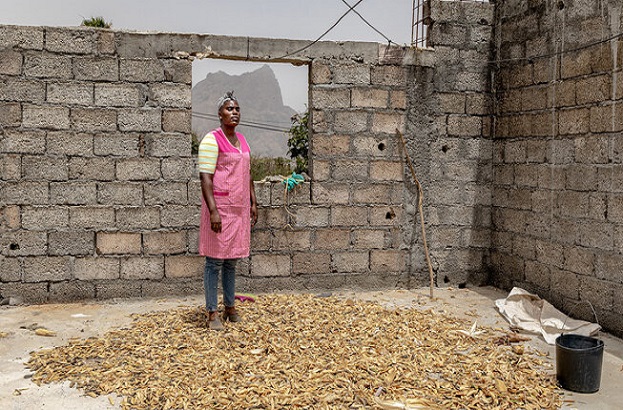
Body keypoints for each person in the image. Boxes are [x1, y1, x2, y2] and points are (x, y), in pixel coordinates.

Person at [198, 91, 258, 330]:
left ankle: (230, 307)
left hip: (238, 211)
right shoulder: (211, 140)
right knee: (214, 262)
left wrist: (253, 202)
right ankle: (212, 312)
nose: (234, 113)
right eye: (229, 109)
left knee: (232, 261)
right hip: (220, 209)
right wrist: (213, 210)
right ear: (219, 114)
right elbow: (205, 177)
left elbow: (248, 173)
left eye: (237, 109)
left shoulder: (242, 140)